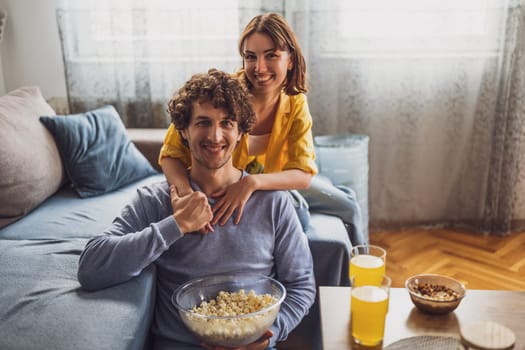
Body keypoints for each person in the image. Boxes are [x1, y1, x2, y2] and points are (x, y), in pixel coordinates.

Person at [77, 69, 316, 350]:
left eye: (227, 123)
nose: (215, 136)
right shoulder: (154, 201)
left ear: (240, 133)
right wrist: (175, 225)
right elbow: (91, 269)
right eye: (203, 122)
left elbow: (301, 286)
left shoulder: (274, 203)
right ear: (183, 131)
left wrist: (269, 335)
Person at [159, 13, 365, 245]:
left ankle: (362, 271)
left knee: (348, 205)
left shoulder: (295, 101)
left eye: (271, 56)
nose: (260, 68)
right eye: (251, 57)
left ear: (290, 60)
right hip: (222, 184)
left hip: (268, 181)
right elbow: (170, 155)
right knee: (300, 215)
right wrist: (187, 196)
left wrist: (251, 183)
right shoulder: (222, 94)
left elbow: (303, 174)